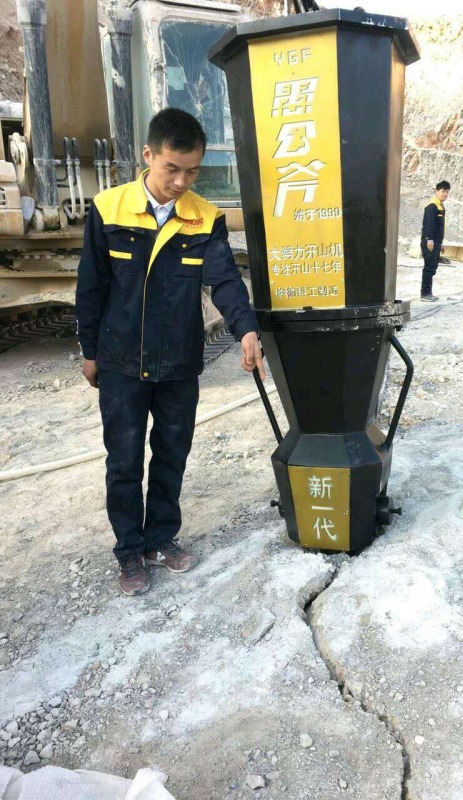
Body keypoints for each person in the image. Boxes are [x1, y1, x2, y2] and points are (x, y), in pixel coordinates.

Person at [76, 108, 264, 596]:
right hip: (120, 361)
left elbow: (224, 278)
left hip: (179, 362)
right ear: (149, 156)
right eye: (172, 169)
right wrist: (89, 351)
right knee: (123, 461)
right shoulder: (109, 208)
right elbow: (91, 287)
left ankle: (160, 539)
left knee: (171, 453)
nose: (182, 182)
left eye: (193, 171)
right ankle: (129, 551)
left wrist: (245, 330)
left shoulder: (205, 218)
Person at [420, 180, 450, 302]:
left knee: (433, 267)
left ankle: (428, 292)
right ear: (436, 191)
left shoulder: (440, 207)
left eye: (447, 192)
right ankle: (425, 293)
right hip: (430, 242)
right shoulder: (432, 206)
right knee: (429, 267)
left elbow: (439, 227)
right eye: (443, 191)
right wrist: (429, 240)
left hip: (436, 242)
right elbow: (428, 225)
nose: (445, 194)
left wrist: (440, 243)